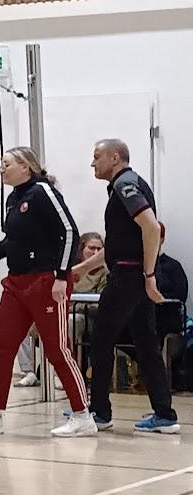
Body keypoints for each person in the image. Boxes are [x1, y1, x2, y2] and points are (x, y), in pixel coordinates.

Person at [0, 147, 93, 438]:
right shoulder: (13, 199)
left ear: (25, 166)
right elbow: (11, 243)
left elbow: (70, 232)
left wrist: (61, 276)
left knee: (57, 349)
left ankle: (83, 415)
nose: (1, 168)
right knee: (2, 347)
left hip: (46, 281)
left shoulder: (42, 191)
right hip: (16, 282)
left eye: (6, 163)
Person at [71, 139, 180, 435]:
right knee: (146, 344)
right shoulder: (123, 186)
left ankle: (99, 412)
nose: (93, 163)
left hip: (128, 277)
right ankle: (164, 414)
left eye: (97, 156)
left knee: (101, 340)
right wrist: (81, 269)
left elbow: (152, 227)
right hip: (133, 276)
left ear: (115, 157)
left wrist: (149, 274)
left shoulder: (125, 184)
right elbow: (119, 243)